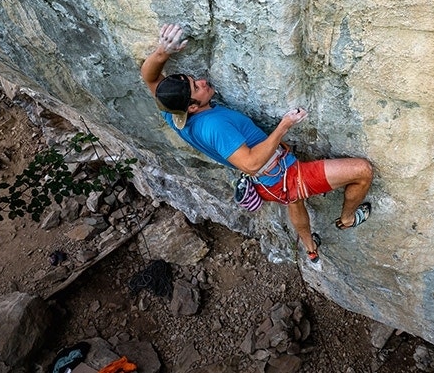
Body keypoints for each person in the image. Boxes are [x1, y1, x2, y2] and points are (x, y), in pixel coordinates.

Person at [140, 23, 373, 267]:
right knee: (362, 171)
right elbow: (251, 163)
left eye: (195, 80)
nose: (202, 82)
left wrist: (162, 52)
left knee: (293, 199)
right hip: (282, 175)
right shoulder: (215, 126)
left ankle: (310, 248)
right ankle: (347, 219)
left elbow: (151, 77)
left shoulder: (173, 112)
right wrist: (283, 126)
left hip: (268, 182)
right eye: (196, 87)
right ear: (193, 107)